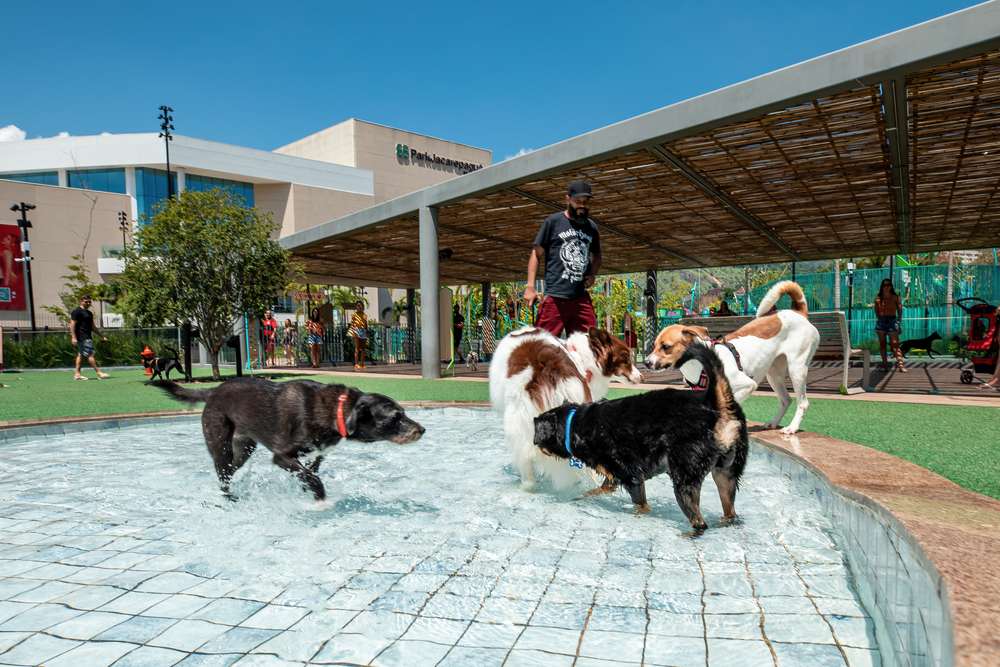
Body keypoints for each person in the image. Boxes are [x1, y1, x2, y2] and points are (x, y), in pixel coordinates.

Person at [524, 180, 601, 336]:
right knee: (543, 344)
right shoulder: (553, 222)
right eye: (578, 201)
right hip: (555, 297)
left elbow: (597, 254)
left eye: (585, 202)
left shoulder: (591, 227)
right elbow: (536, 254)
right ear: (568, 199)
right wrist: (530, 287)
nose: (582, 206)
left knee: (590, 343)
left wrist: (592, 273)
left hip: (580, 298)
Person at [69, 295, 109, 380]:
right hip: (82, 337)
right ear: (81, 301)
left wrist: (101, 336)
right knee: (90, 354)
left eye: (89, 302)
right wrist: (73, 337)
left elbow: (93, 327)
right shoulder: (77, 312)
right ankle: (99, 372)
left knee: (80, 355)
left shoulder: (89, 313)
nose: (88, 303)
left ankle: (77, 374)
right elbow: (72, 324)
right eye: (86, 301)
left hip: (87, 336)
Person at [874, 278, 906, 372]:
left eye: (889, 285)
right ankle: (885, 365)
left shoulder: (895, 297)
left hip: (892, 320)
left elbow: (900, 309)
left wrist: (899, 321)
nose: (887, 287)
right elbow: (876, 311)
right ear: (882, 287)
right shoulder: (878, 298)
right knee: (882, 344)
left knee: (895, 344)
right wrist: (880, 319)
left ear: (891, 286)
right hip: (882, 321)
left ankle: (900, 365)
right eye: (885, 285)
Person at [349, 301, 368, 370]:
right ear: (356, 307)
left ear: (363, 307)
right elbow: (352, 324)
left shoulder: (364, 315)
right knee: (357, 348)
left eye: (360, 305)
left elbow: (366, 325)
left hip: (363, 331)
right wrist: (353, 333)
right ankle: (356, 364)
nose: (359, 307)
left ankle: (362, 364)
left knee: (363, 349)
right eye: (358, 305)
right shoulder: (354, 315)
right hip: (356, 331)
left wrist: (366, 332)